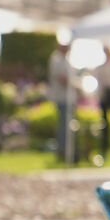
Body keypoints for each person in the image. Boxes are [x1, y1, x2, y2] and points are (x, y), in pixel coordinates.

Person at [47, 31, 77, 164]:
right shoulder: (56, 59)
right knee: (64, 126)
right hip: (62, 98)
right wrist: (76, 84)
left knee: (68, 126)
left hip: (69, 98)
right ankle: (62, 152)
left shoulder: (66, 59)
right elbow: (62, 78)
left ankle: (68, 151)